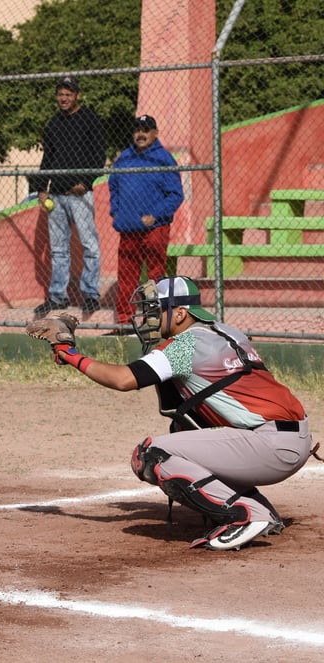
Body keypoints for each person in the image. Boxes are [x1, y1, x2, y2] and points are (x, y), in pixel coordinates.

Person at [50, 276, 316, 550]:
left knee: (149, 454)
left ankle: (244, 516)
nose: (149, 317)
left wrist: (70, 354)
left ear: (180, 313)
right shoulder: (227, 332)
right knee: (185, 435)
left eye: (157, 310)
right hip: (291, 440)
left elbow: (123, 380)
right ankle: (261, 511)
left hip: (268, 445)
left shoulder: (184, 345)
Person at [32, 76, 106, 317]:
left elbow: (98, 157)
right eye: (60, 94)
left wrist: (86, 182)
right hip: (57, 195)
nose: (64, 98)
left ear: (77, 95)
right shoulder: (53, 124)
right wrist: (42, 189)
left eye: (68, 93)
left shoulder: (90, 119)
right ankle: (57, 297)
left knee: (89, 245)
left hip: (80, 195)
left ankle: (91, 295)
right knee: (58, 249)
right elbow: (47, 159)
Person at [108, 115, 184, 330]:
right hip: (129, 228)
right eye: (137, 130)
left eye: (145, 130)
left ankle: (153, 320)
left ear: (155, 133)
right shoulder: (124, 158)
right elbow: (113, 187)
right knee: (126, 276)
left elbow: (175, 195)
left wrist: (156, 215)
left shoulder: (164, 159)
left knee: (154, 275)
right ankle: (124, 322)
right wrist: (116, 212)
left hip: (155, 228)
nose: (140, 134)